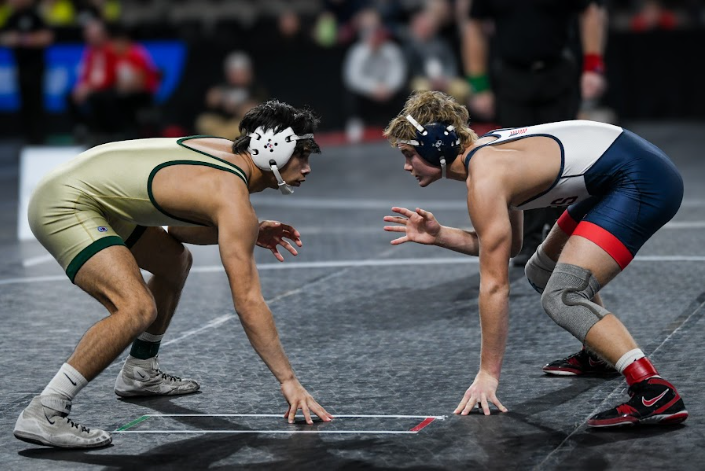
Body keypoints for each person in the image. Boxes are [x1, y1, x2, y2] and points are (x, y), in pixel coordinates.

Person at [14, 100, 333, 449]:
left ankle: (140, 371)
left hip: (98, 198)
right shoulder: (230, 195)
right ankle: (46, 409)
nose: (307, 168)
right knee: (136, 307)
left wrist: (249, 230)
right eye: (301, 156)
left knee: (174, 261)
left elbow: (178, 231)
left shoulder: (225, 156)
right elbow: (248, 301)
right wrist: (288, 380)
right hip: (66, 202)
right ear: (274, 150)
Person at [382, 90, 687, 427]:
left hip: (641, 179)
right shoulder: (486, 154)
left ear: (435, 146)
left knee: (563, 295)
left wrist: (488, 374)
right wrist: (440, 236)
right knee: (541, 271)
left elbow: (495, 286)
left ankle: (654, 391)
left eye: (409, 154)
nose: (407, 166)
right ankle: (601, 355)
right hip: (619, 173)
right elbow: (509, 245)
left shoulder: (486, 178)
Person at [462, 0, 608, 268]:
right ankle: (528, 240)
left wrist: (593, 66)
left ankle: (563, 236)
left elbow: (590, 11)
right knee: (517, 159)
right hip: (511, 76)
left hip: (558, 72)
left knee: (564, 158)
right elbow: (473, 25)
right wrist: (478, 82)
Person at [0, 0, 54, 144]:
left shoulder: (35, 16)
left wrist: (23, 39)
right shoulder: (12, 18)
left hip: (36, 67)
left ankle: (40, 138)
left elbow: (46, 37)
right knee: (24, 103)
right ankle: (28, 138)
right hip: (20, 67)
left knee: (37, 101)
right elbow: (5, 37)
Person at [195, 51, 266, 139]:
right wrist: (215, 100)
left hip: (239, 125)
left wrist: (240, 108)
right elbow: (210, 102)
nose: (236, 76)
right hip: (222, 122)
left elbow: (258, 109)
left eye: (240, 73)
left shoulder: (256, 89)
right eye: (233, 72)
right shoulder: (223, 86)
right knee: (204, 120)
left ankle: (221, 141)